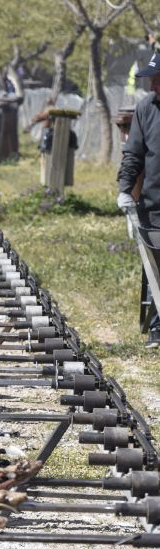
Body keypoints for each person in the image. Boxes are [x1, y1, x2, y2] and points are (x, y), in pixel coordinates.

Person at [118, 51, 160, 348]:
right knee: (156, 268)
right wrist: (125, 188)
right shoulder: (146, 108)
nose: (152, 85)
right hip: (154, 205)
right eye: (151, 79)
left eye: (157, 79)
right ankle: (158, 327)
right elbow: (134, 153)